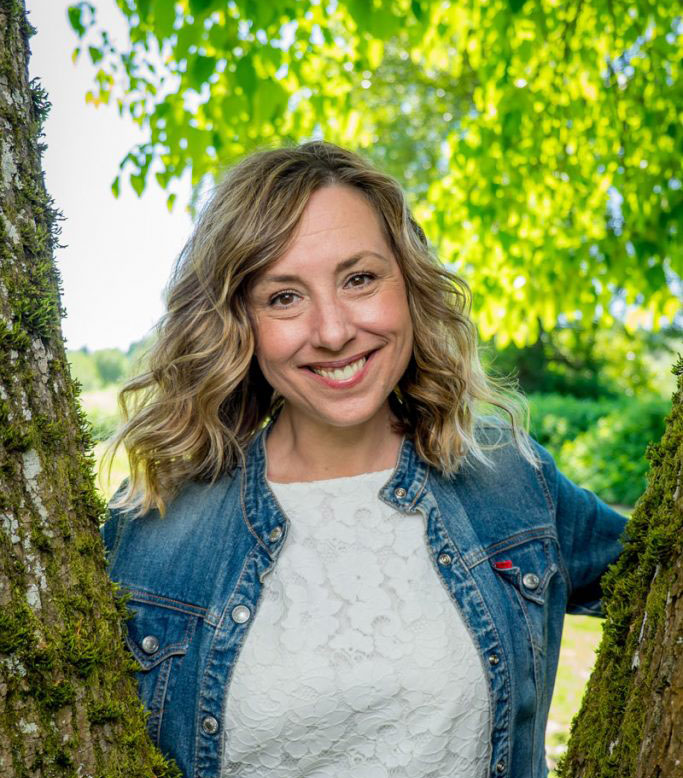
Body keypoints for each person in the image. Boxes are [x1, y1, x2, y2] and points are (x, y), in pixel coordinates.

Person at [100, 141, 629, 778]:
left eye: (359, 279)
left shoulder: (510, 479)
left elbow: (662, 575)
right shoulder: (154, 532)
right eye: (284, 297)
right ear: (238, 321)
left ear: (408, 285)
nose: (332, 331)